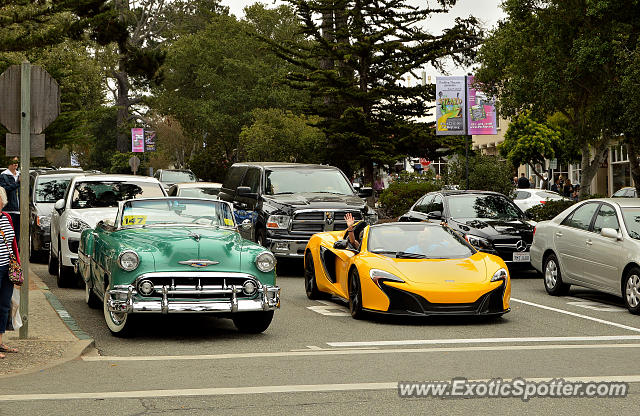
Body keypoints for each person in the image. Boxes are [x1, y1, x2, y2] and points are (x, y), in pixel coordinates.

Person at [0, 187, 19, 359]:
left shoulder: (7, 218)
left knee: (5, 305)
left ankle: (0, 342)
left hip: (7, 268)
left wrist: (16, 264)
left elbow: (13, 243)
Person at [0, 157, 20, 245]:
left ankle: (16, 254)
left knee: (17, 235)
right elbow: (4, 190)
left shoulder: (20, 175)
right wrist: (17, 183)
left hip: (20, 211)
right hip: (8, 210)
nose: (15, 164)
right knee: (9, 235)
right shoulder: (4, 176)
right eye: (13, 162)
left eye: (17, 162)